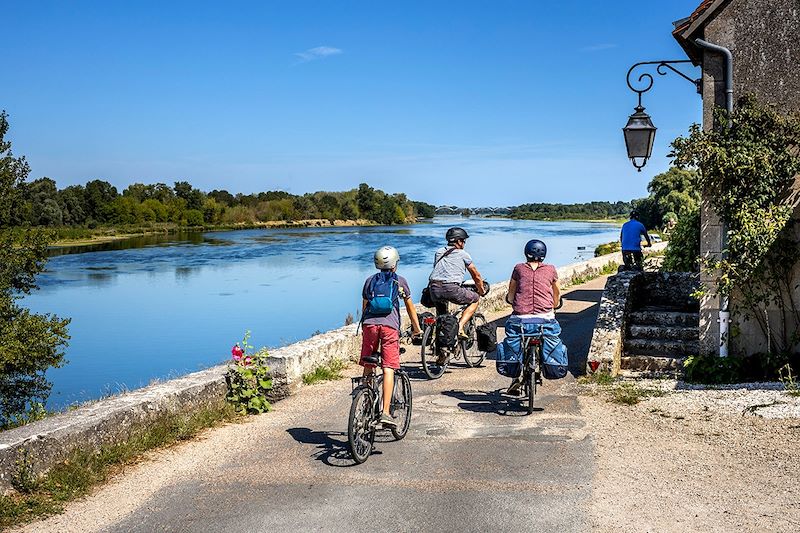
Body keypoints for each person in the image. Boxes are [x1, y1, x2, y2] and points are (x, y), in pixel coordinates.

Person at [360, 246, 422, 428]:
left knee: (369, 362)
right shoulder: (399, 281)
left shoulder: (369, 281)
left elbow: (364, 308)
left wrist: (367, 328)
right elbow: (410, 307)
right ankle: (385, 413)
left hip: (369, 325)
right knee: (388, 367)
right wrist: (417, 329)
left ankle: (366, 397)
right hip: (389, 327)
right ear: (395, 263)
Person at [502, 239, 563, 395]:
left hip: (521, 317)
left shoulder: (518, 268)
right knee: (548, 334)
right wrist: (554, 305)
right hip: (545, 317)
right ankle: (543, 363)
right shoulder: (551, 269)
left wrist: (510, 300)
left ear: (526, 252)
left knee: (517, 342)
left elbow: (512, 292)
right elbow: (556, 292)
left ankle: (515, 380)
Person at [428, 227, 486, 338]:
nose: (464, 243)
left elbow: (439, 270)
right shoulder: (463, 254)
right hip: (451, 289)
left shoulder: (439, 252)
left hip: (434, 288)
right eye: (463, 241)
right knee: (475, 299)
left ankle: (441, 349)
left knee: (442, 317)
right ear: (458, 241)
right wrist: (481, 290)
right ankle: (460, 326)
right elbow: (476, 275)